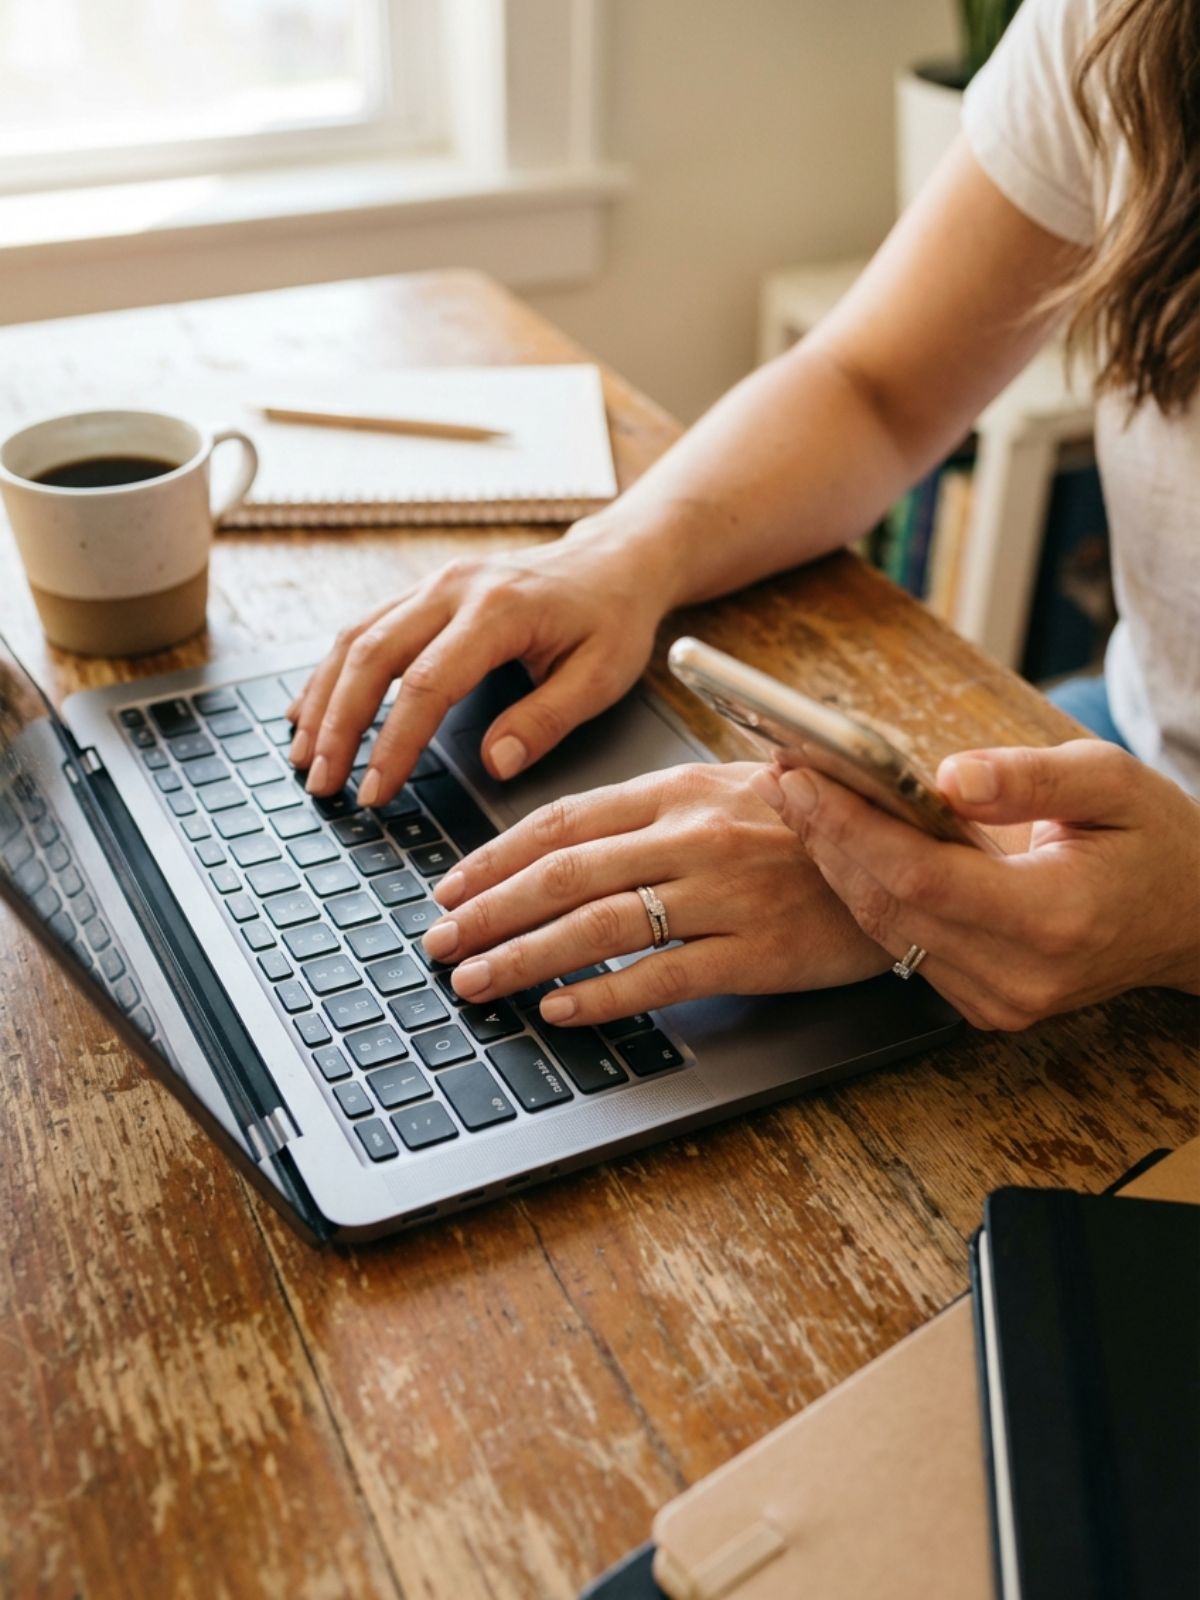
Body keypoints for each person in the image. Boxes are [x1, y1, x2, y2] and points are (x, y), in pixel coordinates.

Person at [286, 0, 1200, 1033]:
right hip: (1130, 743)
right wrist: (620, 554)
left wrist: (1173, 913)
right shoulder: (1119, 23)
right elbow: (875, 383)